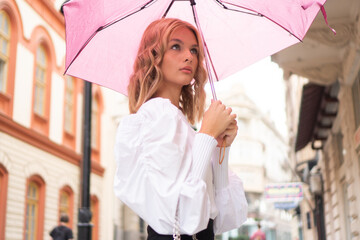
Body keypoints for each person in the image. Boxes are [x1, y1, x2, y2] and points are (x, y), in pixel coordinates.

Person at [114, 18, 248, 240]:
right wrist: (206, 136)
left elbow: (217, 215)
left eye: (194, 50)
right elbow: (178, 216)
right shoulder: (155, 116)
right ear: (154, 56)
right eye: (176, 46)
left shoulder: (178, 121)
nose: (189, 56)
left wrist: (220, 147)